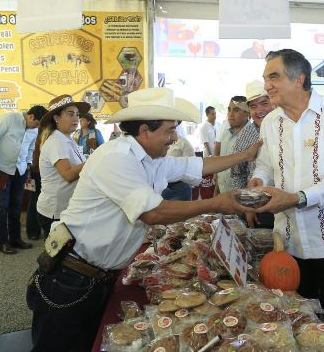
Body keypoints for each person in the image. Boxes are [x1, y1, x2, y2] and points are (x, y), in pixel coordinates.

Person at [26, 88, 260, 352]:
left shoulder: (149, 158)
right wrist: (217, 203)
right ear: (145, 130)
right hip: (70, 275)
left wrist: (245, 155)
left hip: (92, 274)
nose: (174, 138)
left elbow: (195, 166)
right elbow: (153, 213)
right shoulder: (117, 157)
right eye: (170, 131)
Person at [242, 49, 324, 351]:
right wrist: (259, 180)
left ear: (299, 79)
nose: (267, 85)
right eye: (265, 78)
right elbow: (266, 164)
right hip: (291, 244)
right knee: (299, 326)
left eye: (274, 77)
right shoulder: (271, 121)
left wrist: (297, 198)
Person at [0, 105, 48, 254]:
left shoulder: (33, 130)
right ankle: (3, 242)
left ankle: (16, 239)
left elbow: (31, 148)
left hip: (20, 171)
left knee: (16, 206)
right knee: (1, 207)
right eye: (37, 123)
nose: (37, 127)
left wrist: (28, 164)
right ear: (31, 116)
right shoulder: (9, 118)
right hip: (1, 170)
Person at [35, 95, 89, 238]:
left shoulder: (66, 139)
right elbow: (68, 174)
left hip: (65, 208)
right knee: (61, 251)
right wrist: (93, 161)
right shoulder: (57, 141)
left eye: (77, 115)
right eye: (70, 114)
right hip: (56, 211)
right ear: (56, 118)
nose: (76, 118)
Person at [232, 80, 275, 228]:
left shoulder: (287, 128)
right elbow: (237, 174)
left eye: (264, 103)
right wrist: (247, 206)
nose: (259, 111)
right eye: (253, 106)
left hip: (290, 203)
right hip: (258, 207)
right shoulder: (244, 137)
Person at [214, 96, 250, 195]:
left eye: (236, 110)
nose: (231, 114)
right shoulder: (226, 134)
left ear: (247, 113)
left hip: (242, 195)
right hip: (223, 191)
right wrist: (217, 187)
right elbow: (221, 162)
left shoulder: (252, 136)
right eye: (229, 110)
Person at [162, 123, 196, 201]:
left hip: (178, 184)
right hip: (163, 184)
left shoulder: (184, 143)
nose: (174, 136)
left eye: (174, 130)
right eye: (170, 130)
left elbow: (192, 166)